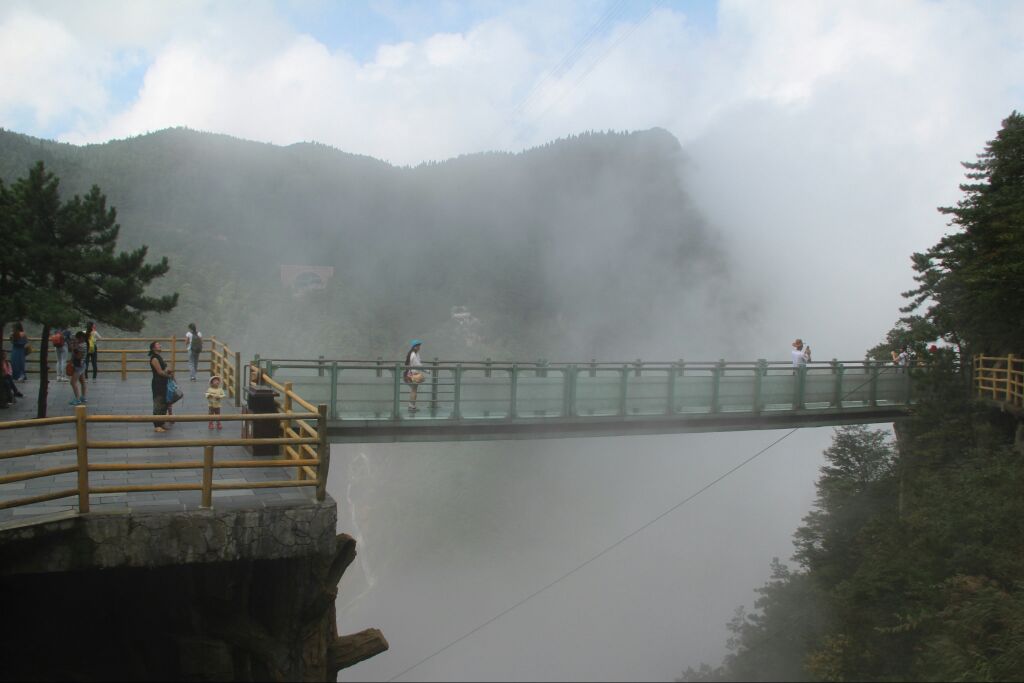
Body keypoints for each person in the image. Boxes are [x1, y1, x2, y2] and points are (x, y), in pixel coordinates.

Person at [149, 340, 174, 432]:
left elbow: (164, 368)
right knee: (158, 403)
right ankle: (157, 425)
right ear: (153, 348)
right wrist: (168, 375)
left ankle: (162, 422)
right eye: (158, 345)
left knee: (164, 403)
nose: (160, 346)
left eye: (160, 344)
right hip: (158, 383)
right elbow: (159, 372)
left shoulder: (159, 357)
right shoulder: (154, 358)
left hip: (163, 382)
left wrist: (168, 371)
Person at [404, 339, 426, 412]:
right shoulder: (413, 354)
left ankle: (412, 406)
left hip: (412, 374)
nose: (419, 347)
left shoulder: (415, 353)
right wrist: (426, 370)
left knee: (414, 390)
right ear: (414, 347)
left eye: (419, 346)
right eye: (418, 346)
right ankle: (411, 406)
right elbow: (417, 364)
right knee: (414, 390)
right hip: (412, 374)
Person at [68, 331, 88, 406]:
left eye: (77, 338)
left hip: (78, 366)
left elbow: (78, 356)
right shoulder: (84, 344)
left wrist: (74, 348)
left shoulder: (81, 346)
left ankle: (77, 399)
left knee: (73, 382)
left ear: (81, 338)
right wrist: (74, 346)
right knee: (82, 381)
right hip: (82, 365)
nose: (76, 340)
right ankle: (83, 397)